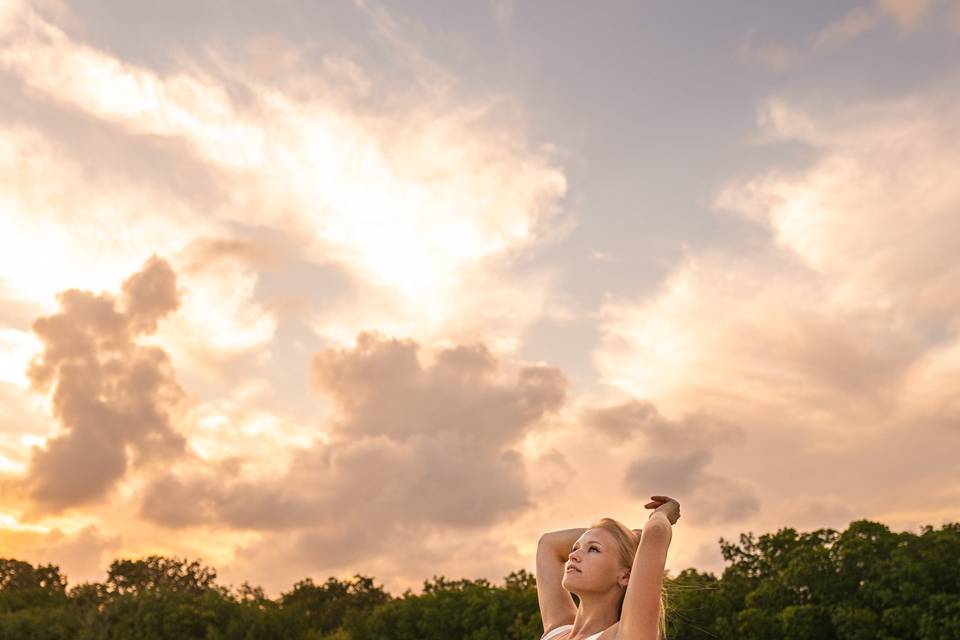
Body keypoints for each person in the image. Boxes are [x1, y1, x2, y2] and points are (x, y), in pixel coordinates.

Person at [535, 495, 681, 640]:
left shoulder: (627, 634)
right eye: (575, 548)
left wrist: (661, 514)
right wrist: (625, 537)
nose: (573, 556)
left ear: (626, 576)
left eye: (593, 549)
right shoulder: (556, 633)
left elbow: (655, 530)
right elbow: (548, 544)